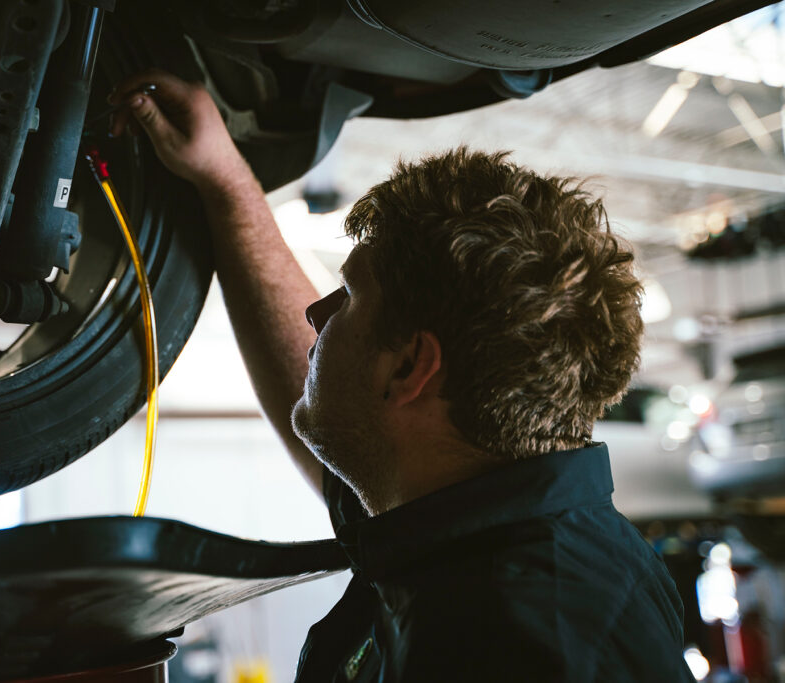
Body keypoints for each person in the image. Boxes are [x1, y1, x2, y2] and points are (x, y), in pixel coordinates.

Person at [108, 69, 694, 682]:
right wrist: (224, 179)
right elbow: (326, 393)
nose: (317, 314)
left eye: (350, 297)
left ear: (411, 367)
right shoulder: (462, 506)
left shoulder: (517, 645)